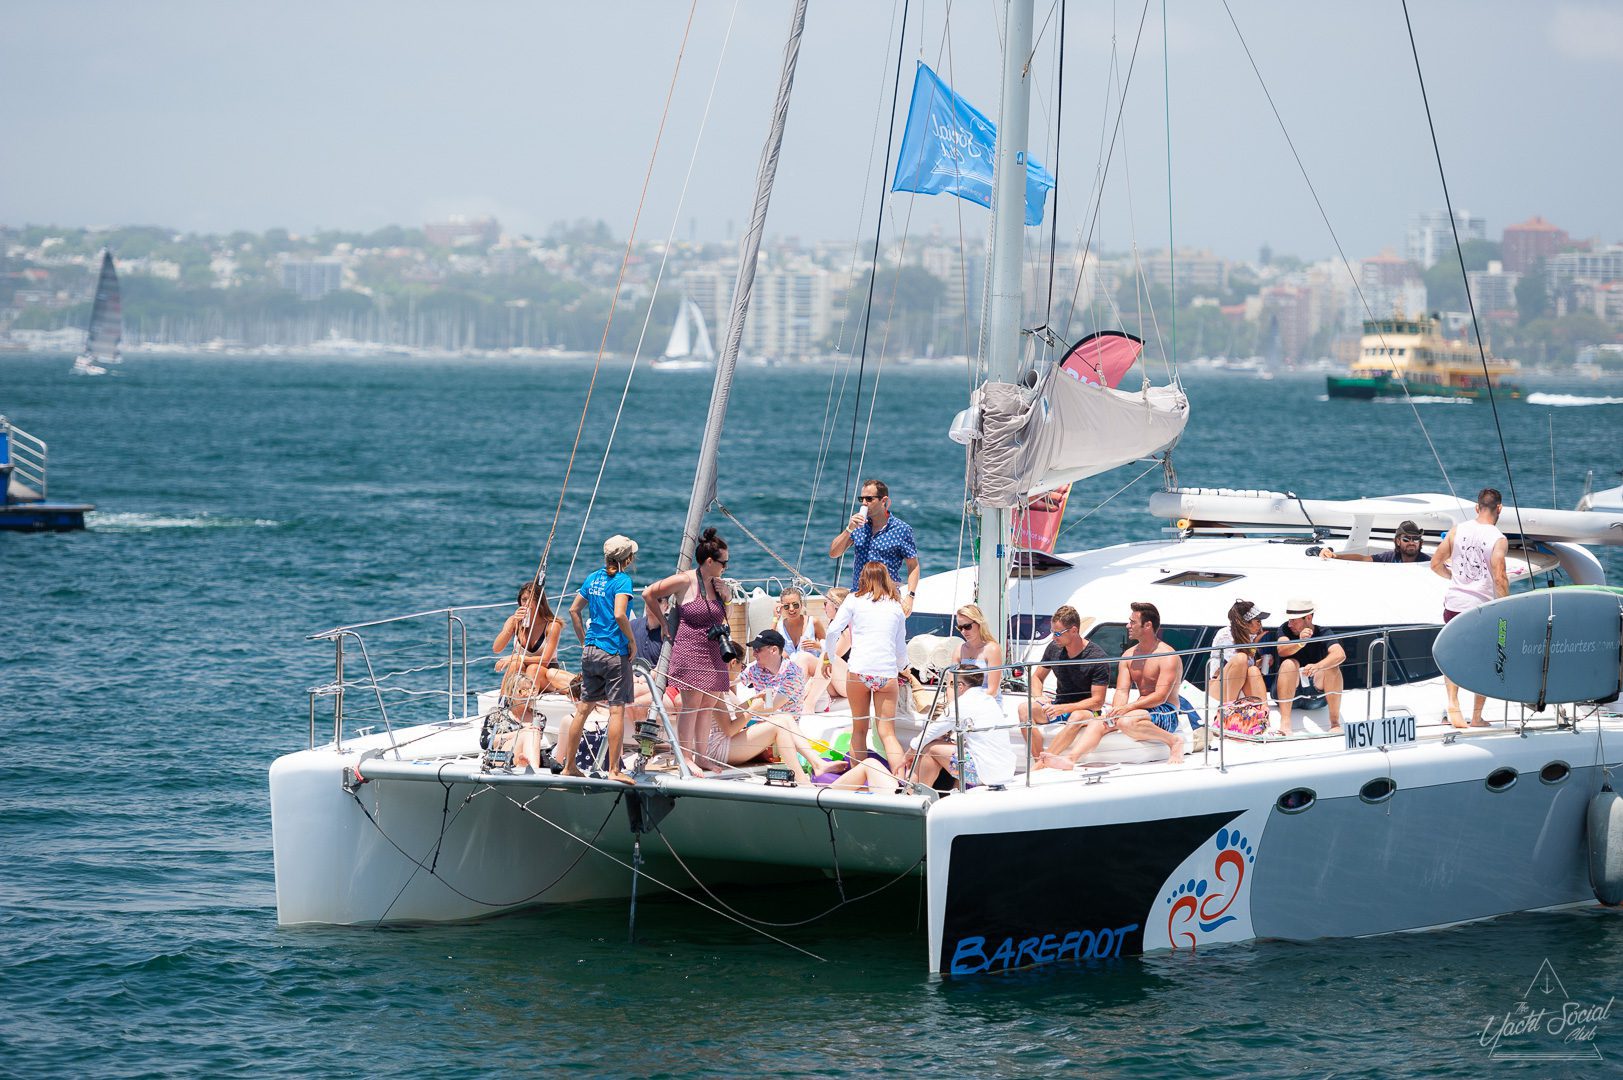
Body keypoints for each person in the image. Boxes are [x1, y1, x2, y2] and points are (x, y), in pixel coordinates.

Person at [1048, 602, 1188, 766]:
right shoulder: (1128, 655)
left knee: (1125, 720)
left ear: (1148, 625)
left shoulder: (1167, 656)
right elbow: (1122, 691)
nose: (1128, 625)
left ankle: (1174, 741)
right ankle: (1070, 760)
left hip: (1166, 711)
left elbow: (1160, 697)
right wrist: (1115, 711)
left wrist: (1126, 709)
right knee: (1098, 722)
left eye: (1133, 622)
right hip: (1140, 709)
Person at [833, 669, 1014, 793]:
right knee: (930, 748)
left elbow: (930, 733)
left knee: (870, 764)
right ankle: (916, 791)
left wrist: (909, 754)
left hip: (909, 794)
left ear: (959, 686)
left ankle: (824, 795)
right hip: (999, 772)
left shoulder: (960, 708)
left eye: (948, 685)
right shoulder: (987, 702)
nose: (946, 690)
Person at [643, 527, 734, 774]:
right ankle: (686, 756)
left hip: (714, 651)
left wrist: (727, 598)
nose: (726, 567)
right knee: (691, 705)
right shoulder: (685, 580)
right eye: (723, 562)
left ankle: (702, 756)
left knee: (707, 705)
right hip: (690, 649)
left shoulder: (717, 584)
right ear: (709, 561)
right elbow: (648, 593)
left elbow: (726, 617)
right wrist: (663, 623)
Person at [702, 629, 830, 784]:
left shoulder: (791, 673)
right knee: (781, 721)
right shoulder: (753, 669)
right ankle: (808, 775)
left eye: (757, 650)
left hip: (779, 729)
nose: (754, 654)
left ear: (773, 650)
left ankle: (814, 767)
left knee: (782, 719)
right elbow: (737, 683)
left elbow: (771, 707)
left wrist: (754, 703)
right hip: (745, 731)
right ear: (732, 663)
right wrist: (752, 704)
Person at [561, 535, 639, 785]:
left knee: (583, 709)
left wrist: (585, 640)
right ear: (627, 559)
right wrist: (632, 641)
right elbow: (619, 614)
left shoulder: (593, 578)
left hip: (591, 650)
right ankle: (614, 769)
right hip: (613, 652)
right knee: (617, 710)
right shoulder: (623, 581)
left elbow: (574, 610)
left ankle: (569, 766)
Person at [1430, 487, 1510, 728]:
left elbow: (1435, 563)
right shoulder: (1498, 539)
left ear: (1477, 507)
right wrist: (1506, 609)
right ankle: (1476, 716)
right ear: (1499, 508)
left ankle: (1453, 703)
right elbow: (1500, 577)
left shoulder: (1457, 530)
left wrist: (1454, 578)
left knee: (1454, 655)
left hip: (1453, 604)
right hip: (1479, 610)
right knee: (1485, 660)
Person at [823, 561, 910, 765]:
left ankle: (857, 780)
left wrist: (830, 657)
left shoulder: (854, 600)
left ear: (863, 578)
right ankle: (902, 782)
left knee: (859, 730)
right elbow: (900, 648)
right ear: (886, 579)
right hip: (886, 675)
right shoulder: (896, 606)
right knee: (887, 733)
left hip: (859, 672)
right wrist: (903, 668)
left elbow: (834, 630)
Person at [1020, 606, 1111, 759]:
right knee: (1024, 709)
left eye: (1057, 633)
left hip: (1088, 711)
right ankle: (1037, 759)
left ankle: (1044, 762)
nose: (1053, 638)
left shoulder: (1097, 657)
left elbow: (1097, 702)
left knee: (1076, 716)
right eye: (1051, 632)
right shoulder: (1054, 648)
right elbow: (1037, 677)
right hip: (1060, 705)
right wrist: (1038, 697)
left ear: (1074, 631)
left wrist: (1064, 708)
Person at [827, 478, 920, 615]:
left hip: (887, 597)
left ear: (884, 501)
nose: (864, 503)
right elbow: (834, 553)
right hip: (858, 596)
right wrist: (849, 528)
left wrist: (910, 597)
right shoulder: (858, 527)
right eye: (862, 499)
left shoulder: (901, 529)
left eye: (869, 499)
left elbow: (913, 565)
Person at [1272, 599, 1345, 735]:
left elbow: (1340, 654)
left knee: (1332, 666)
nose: (1290, 624)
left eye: (1294, 620)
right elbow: (1282, 649)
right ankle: (1285, 723)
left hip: (1315, 696)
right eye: (1289, 620)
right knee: (1289, 663)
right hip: (1287, 693)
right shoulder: (1284, 629)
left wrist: (1318, 666)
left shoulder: (1323, 632)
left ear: (1309, 618)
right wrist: (1300, 642)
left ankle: (1335, 723)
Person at [493, 579, 574, 696]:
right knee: (514, 665)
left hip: (545, 676)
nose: (526, 603)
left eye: (531, 600)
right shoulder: (514, 621)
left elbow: (545, 661)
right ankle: (503, 701)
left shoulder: (552, 626)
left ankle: (529, 705)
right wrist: (511, 625)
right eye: (523, 599)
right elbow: (497, 649)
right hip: (523, 677)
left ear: (540, 602)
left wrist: (517, 657)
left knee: (532, 668)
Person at [1208, 599, 1270, 705]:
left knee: (1254, 670)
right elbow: (1239, 664)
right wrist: (1254, 645)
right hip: (1220, 688)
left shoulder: (1249, 636)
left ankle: (1263, 715)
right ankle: (1228, 710)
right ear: (1245, 623)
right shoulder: (1226, 635)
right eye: (1258, 621)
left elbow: (1247, 669)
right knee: (1241, 658)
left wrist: (1260, 663)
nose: (1260, 625)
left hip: (1240, 688)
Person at [1319, 520, 1427, 563]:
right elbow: (1363, 558)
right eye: (1406, 539)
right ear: (1398, 541)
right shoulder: (1390, 557)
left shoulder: (1427, 561)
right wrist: (1335, 556)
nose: (1412, 542)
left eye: (1416, 539)